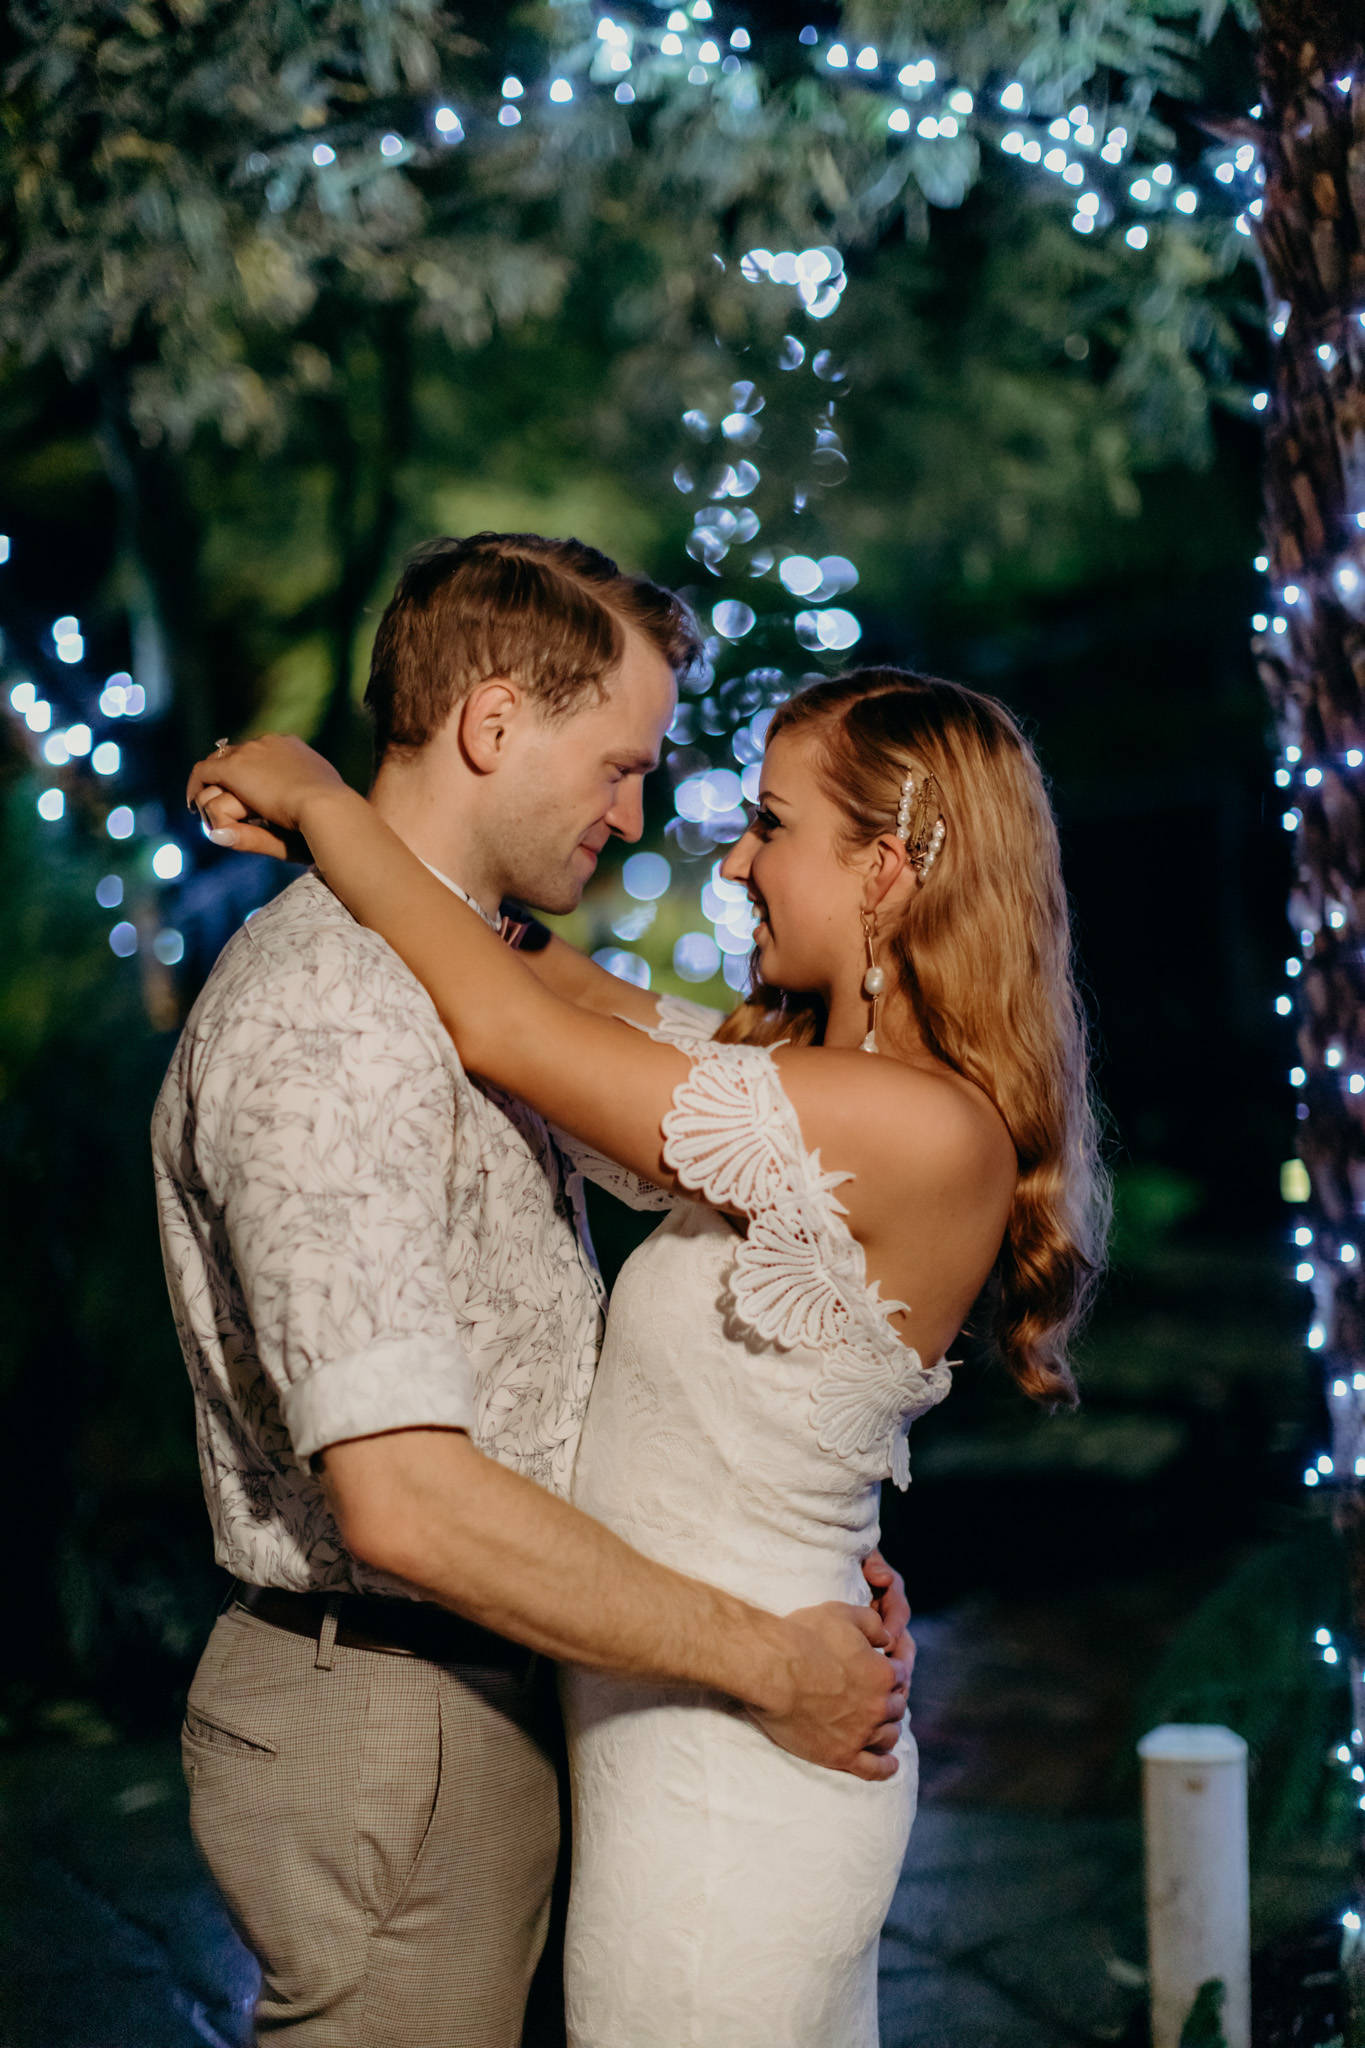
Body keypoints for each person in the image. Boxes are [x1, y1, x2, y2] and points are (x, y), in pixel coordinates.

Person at [190, 663, 1109, 2048]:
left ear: (889, 869)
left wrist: (323, 803)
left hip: (738, 1780)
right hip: (673, 1724)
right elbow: (544, 979)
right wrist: (408, 839)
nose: (732, 859)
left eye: (771, 827)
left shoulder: (921, 1130)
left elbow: (504, 1028)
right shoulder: (791, 1087)